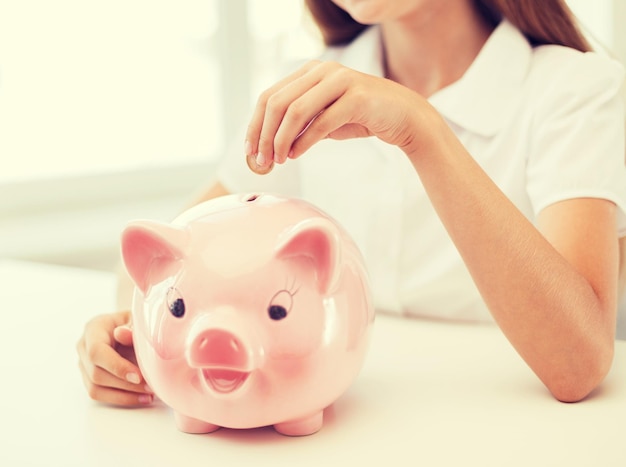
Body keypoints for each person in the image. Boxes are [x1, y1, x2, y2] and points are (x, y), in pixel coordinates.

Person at [77, 0, 626, 406]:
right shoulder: (313, 85)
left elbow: (578, 365)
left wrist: (421, 130)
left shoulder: (577, 91)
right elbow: (174, 250)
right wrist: (129, 328)